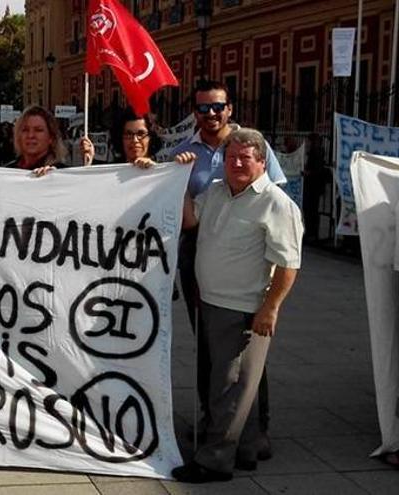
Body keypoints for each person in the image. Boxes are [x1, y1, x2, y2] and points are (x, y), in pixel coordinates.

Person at [172, 128, 302, 483]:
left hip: (245, 308)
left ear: (262, 162)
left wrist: (270, 308)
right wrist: (181, 182)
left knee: (229, 387)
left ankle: (213, 461)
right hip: (211, 302)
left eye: (246, 158)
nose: (238, 164)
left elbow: (289, 264)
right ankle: (246, 449)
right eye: (232, 158)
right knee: (235, 383)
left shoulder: (276, 204)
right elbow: (190, 221)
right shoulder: (216, 191)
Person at [170, 80, 287, 440]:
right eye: (203, 108)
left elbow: (275, 198)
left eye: (217, 106)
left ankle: (256, 427)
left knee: (247, 349)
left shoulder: (252, 144)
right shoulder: (180, 152)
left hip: (247, 255)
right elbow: (179, 208)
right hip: (198, 250)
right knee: (208, 342)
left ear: (229, 109)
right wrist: (177, 176)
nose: (211, 114)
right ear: (195, 113)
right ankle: (213, 419)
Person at [79, 107, 195, 167]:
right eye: (128, 134)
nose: (135, 140)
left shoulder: (160, 173)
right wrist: (88, 162)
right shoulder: (108, 172)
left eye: (141, 134)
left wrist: (154, 172)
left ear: (151, 138)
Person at [3, 105, 68, 171]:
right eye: (25, 130)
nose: (30, 135)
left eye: (38, 130)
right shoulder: (7, 171)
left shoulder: (62, 173)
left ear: (51, 137)